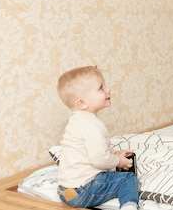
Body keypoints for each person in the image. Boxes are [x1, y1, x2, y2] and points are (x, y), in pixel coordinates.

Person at [56, 66, 139, 210]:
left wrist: (114, 154)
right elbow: (99, 159)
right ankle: (129, 206)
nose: (108, 89)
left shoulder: (76, 121)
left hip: (66, 192)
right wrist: (118, 161)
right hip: (83, 191)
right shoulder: (93, 125)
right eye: (101, 88)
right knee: (127, 178)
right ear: (82, 103)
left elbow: (90, 150)